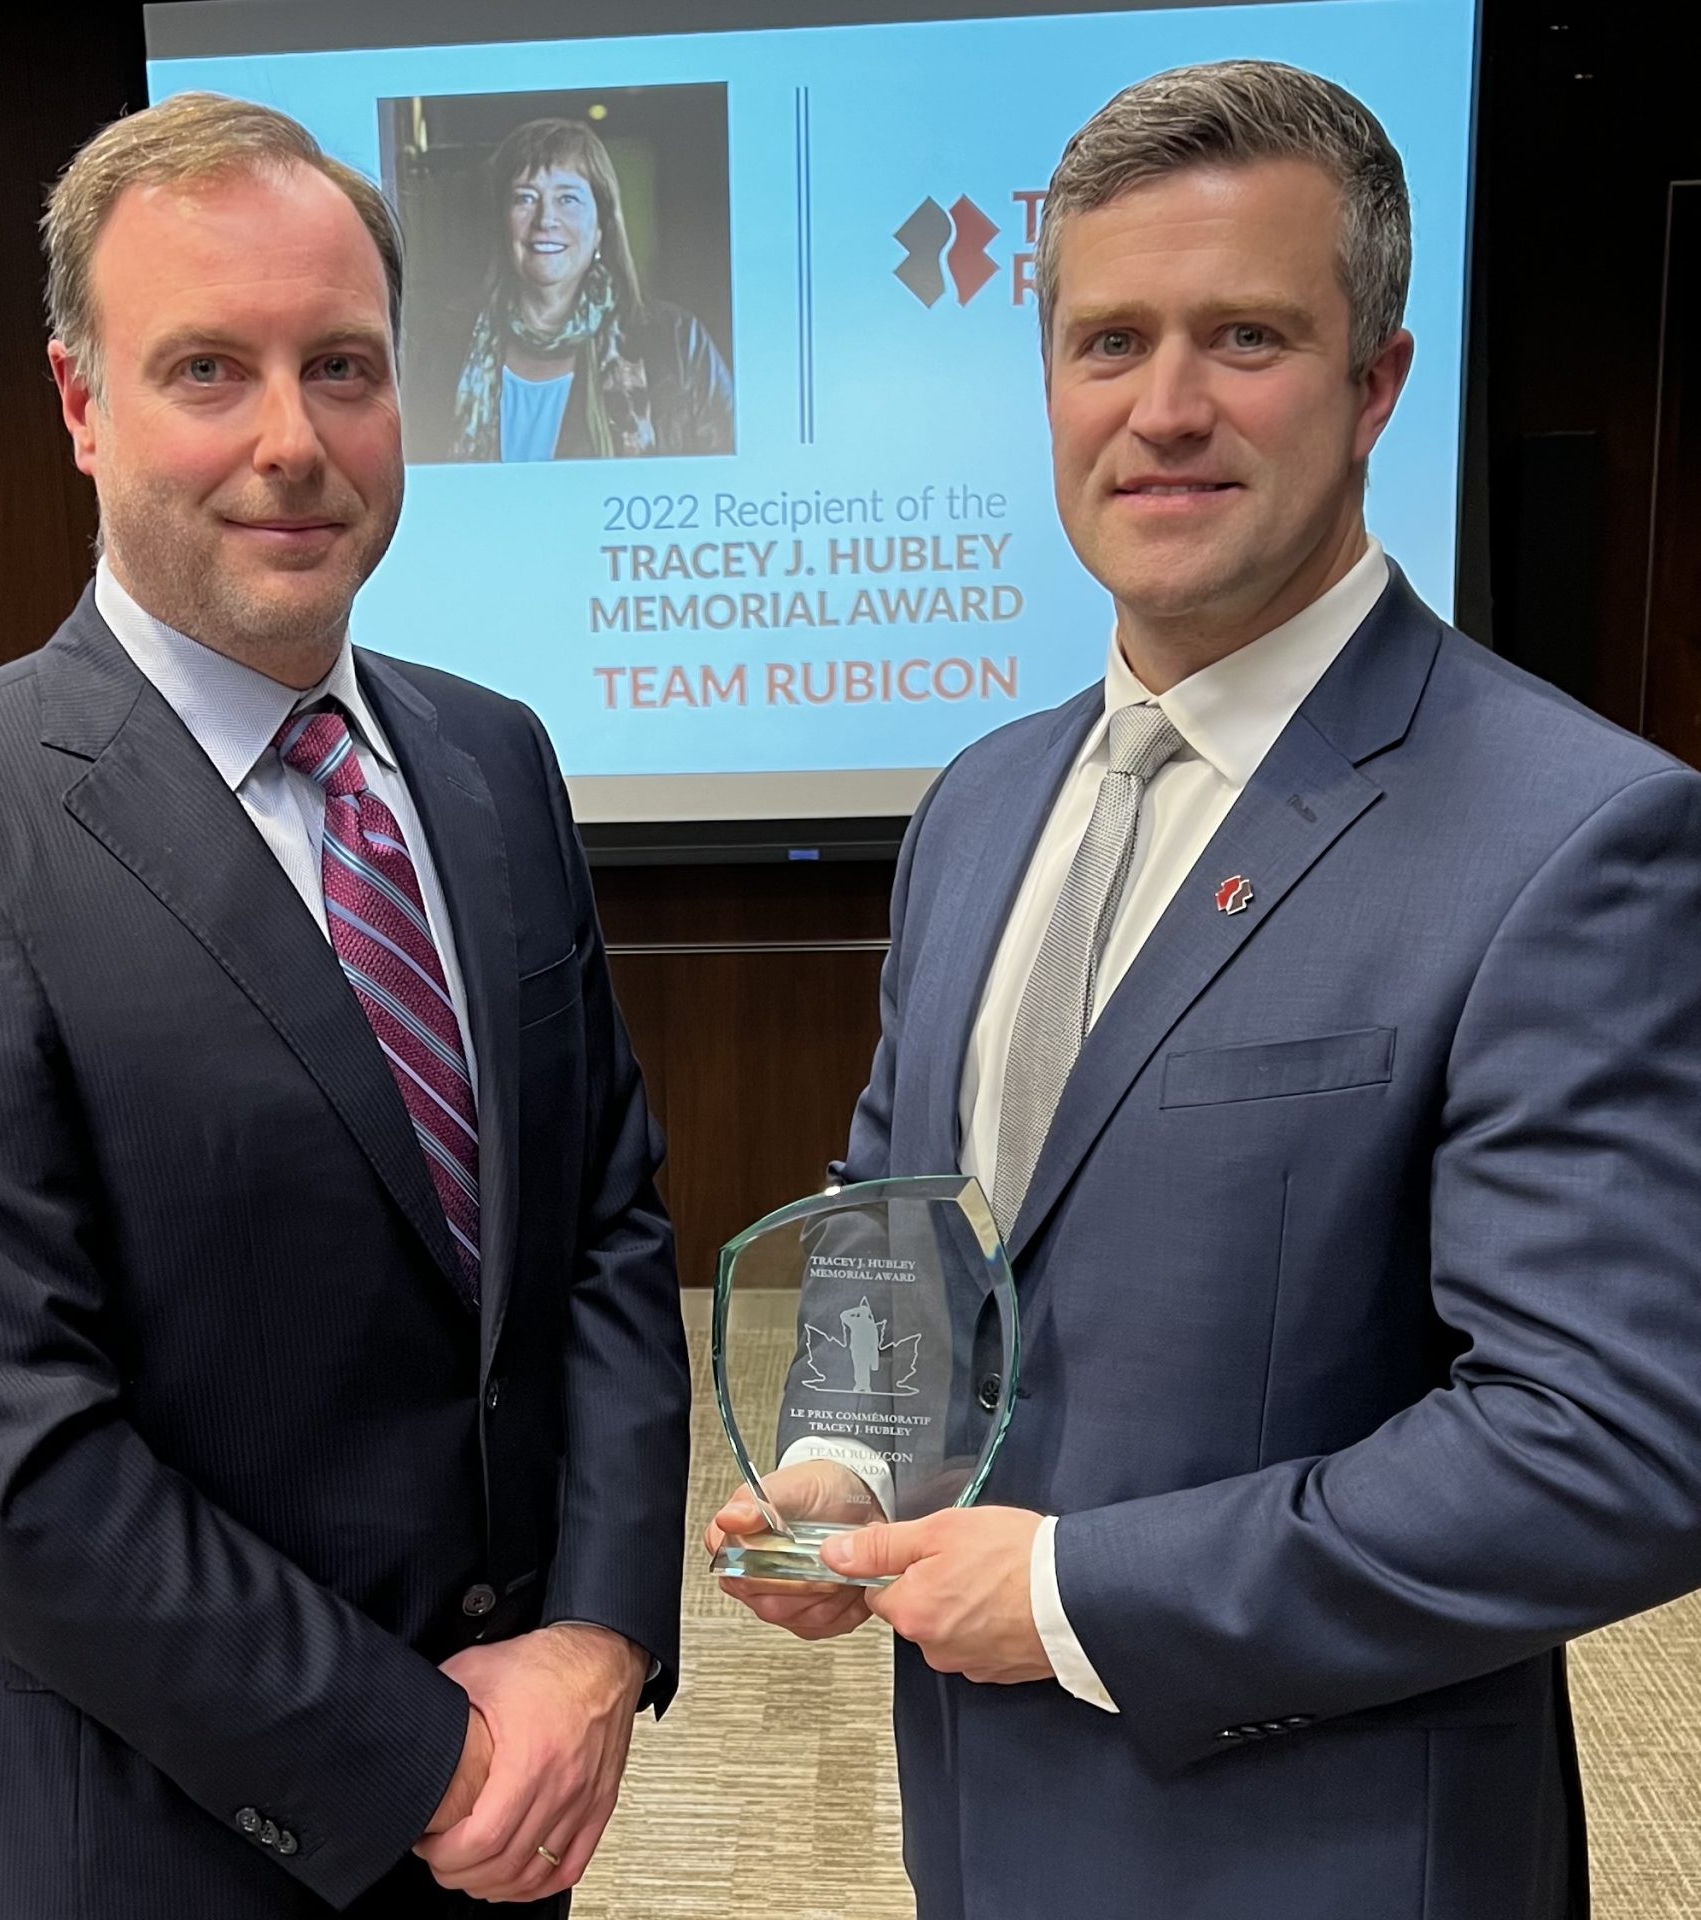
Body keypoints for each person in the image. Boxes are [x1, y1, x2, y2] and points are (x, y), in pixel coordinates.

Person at [708, 58, 1701, 1919]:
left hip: (1316, 1855)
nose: (1163, 410)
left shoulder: (1578, 837)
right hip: (980, 1829)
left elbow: (1617, 1447)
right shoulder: (980, 800)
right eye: (1109, 342)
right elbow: (905, 1211)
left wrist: (1085, 1593)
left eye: (1244, 337)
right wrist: (845, 1460)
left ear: (1376, 384)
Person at [0, 91, 689, 1920]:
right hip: (160, 1841)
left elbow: (607, 1224)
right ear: (84, 408)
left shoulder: (492, 758)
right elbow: (19, 1469)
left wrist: (598, 1640)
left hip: (517, 1813)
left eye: (346, 368)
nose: (292, 443)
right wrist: (426, 1756)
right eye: (209, 371)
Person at [449, 117, 734, 462]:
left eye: (567, 199)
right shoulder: (444, 347)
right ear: (501, 222)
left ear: (601, 227)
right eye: (525, 198)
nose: (545, 220)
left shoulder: (678, 342)